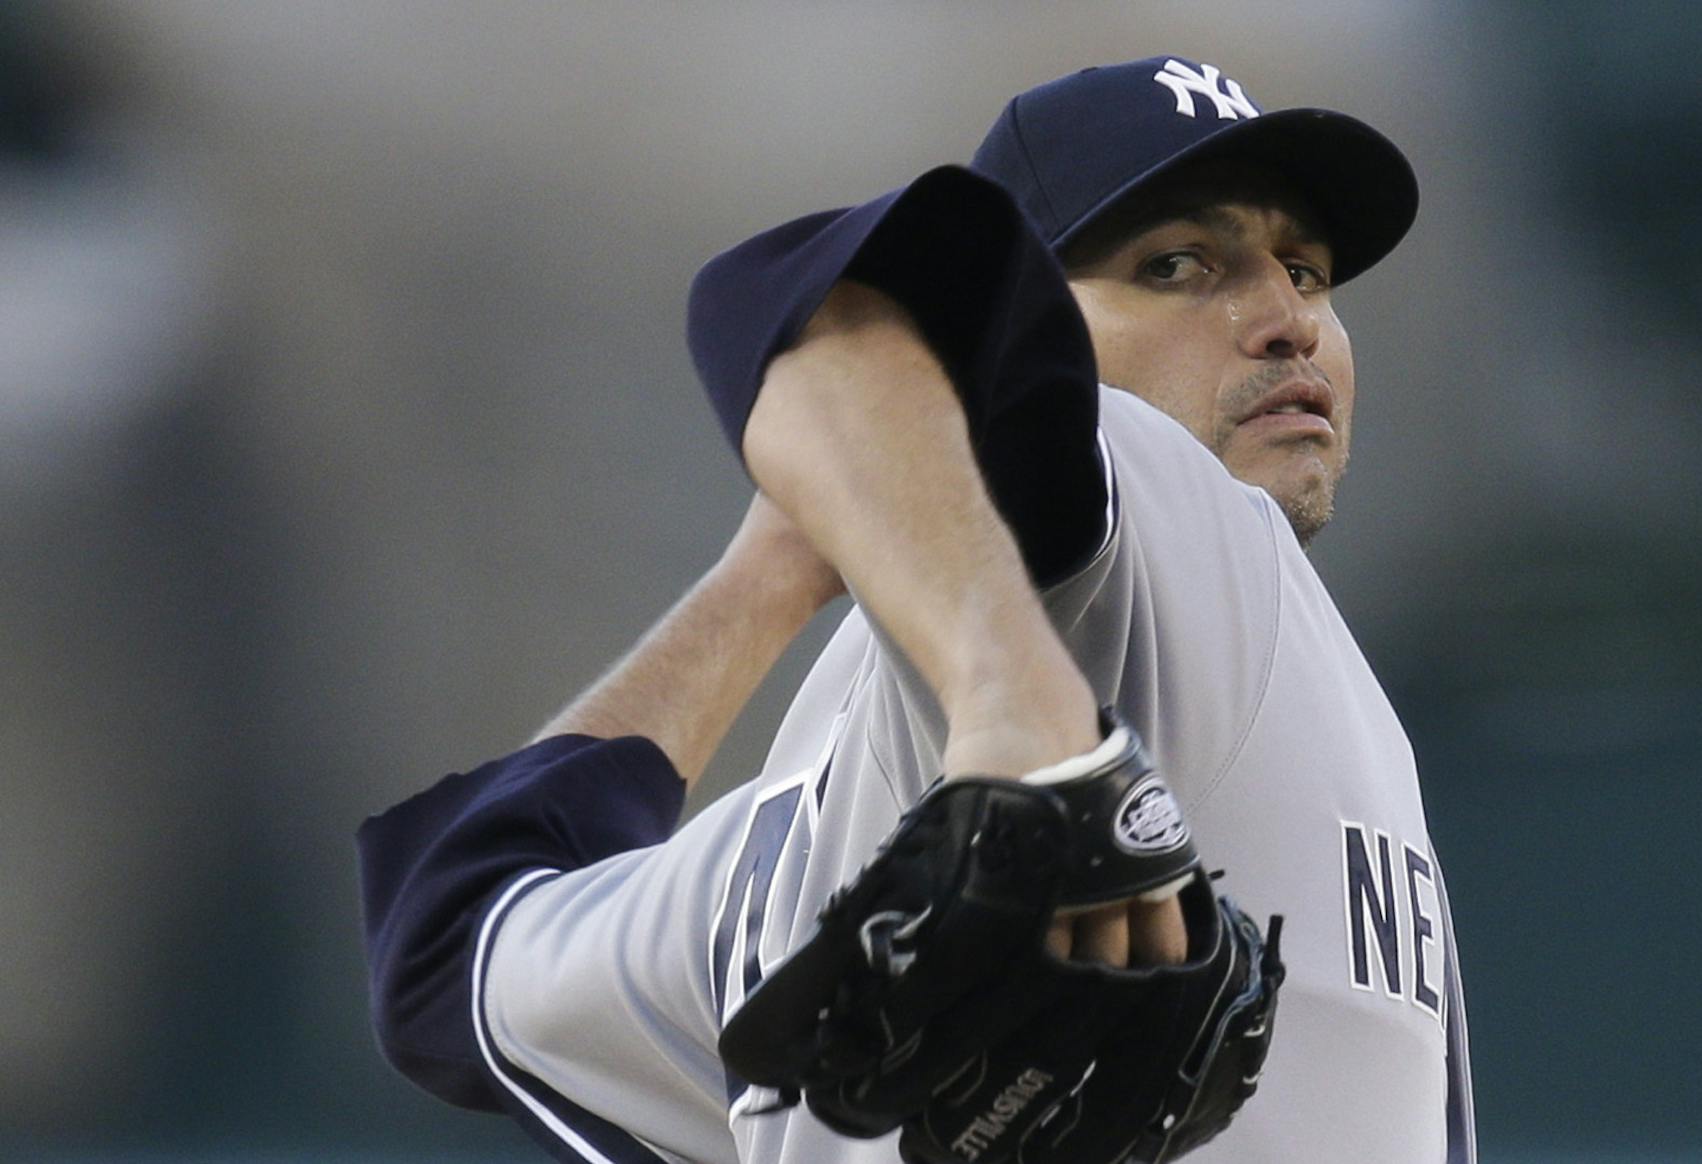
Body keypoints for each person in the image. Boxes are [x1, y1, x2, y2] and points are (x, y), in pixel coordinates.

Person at [359, 55, 1474, 1164]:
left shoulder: (821, 844)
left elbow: (451, 937)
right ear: (1021, 350)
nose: (1288, 319)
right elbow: (810, 303)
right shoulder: (1169, 513)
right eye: (1178, 264)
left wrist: (780, 566)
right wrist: (1020, 711)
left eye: (1309, 270)